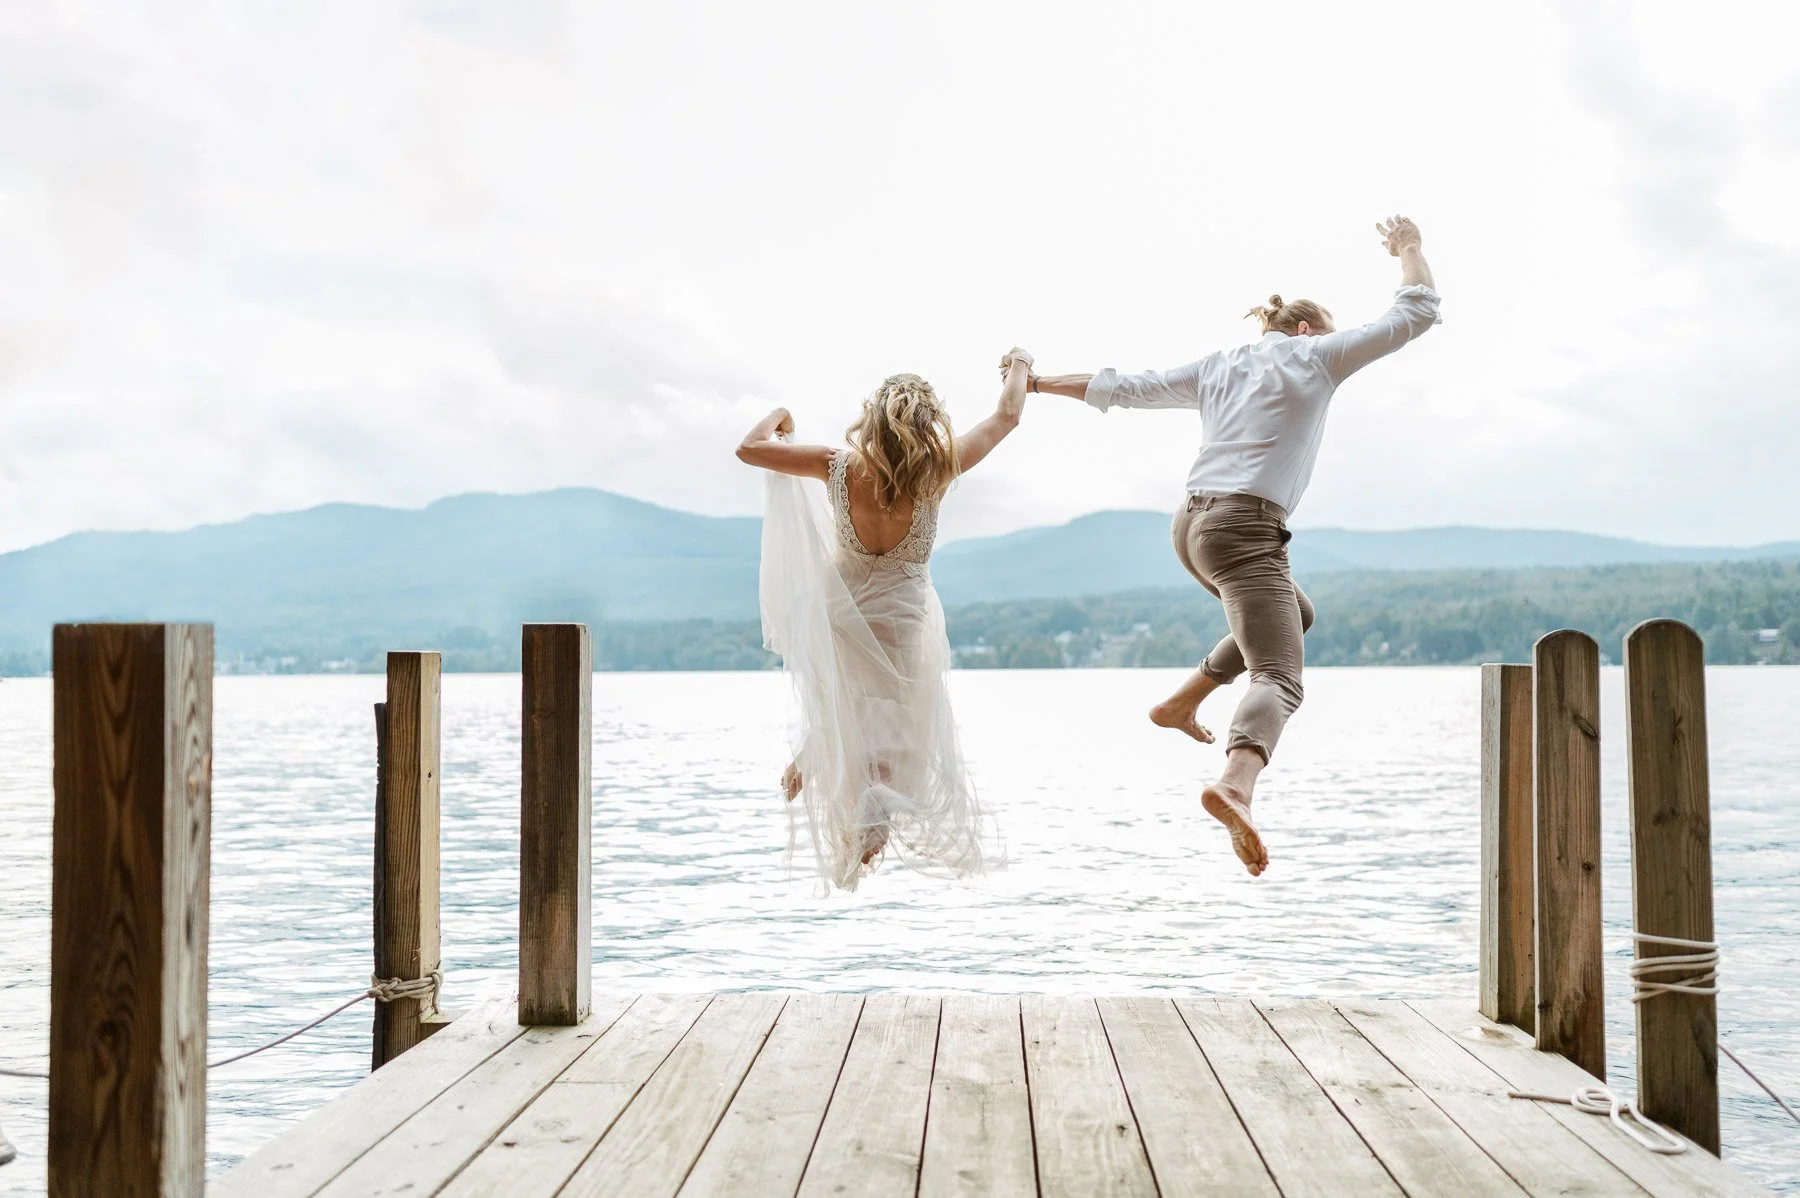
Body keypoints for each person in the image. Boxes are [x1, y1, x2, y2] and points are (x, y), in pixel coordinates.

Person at [1023, 216, 1440, 877]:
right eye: (1323, 334)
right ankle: (1236, 785)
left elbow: (1124, 388)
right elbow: (1417, 309)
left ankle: (1183, 701)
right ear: (1306, 331)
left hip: (1189, 528)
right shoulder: (1317, 355)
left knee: (1295, 612)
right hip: (1245, 530)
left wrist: (1039, 384)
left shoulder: (1219, 364)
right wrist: (1408, 248)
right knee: (1279, 677)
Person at [736, 353, 1033, 889]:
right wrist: (1021, 363)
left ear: (873, 418)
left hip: (842, 608)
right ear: (929, 421)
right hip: (902, 611)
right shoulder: (940, 468)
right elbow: (1007, 416)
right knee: (899, 720)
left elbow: (750, 449)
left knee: (845, 693)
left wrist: (781, 413)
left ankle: (814, 752)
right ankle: (876, 804)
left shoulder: (836, 465)